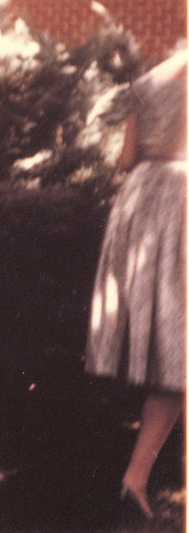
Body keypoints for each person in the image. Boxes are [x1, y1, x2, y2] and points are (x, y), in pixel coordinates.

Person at [85, 49, 187, 521]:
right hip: (181, 206)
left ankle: (135, 478)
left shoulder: (146, 82)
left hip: (139, 201)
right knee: (178, 356)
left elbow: (126, 157)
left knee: (170, 357)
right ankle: (137, 476)